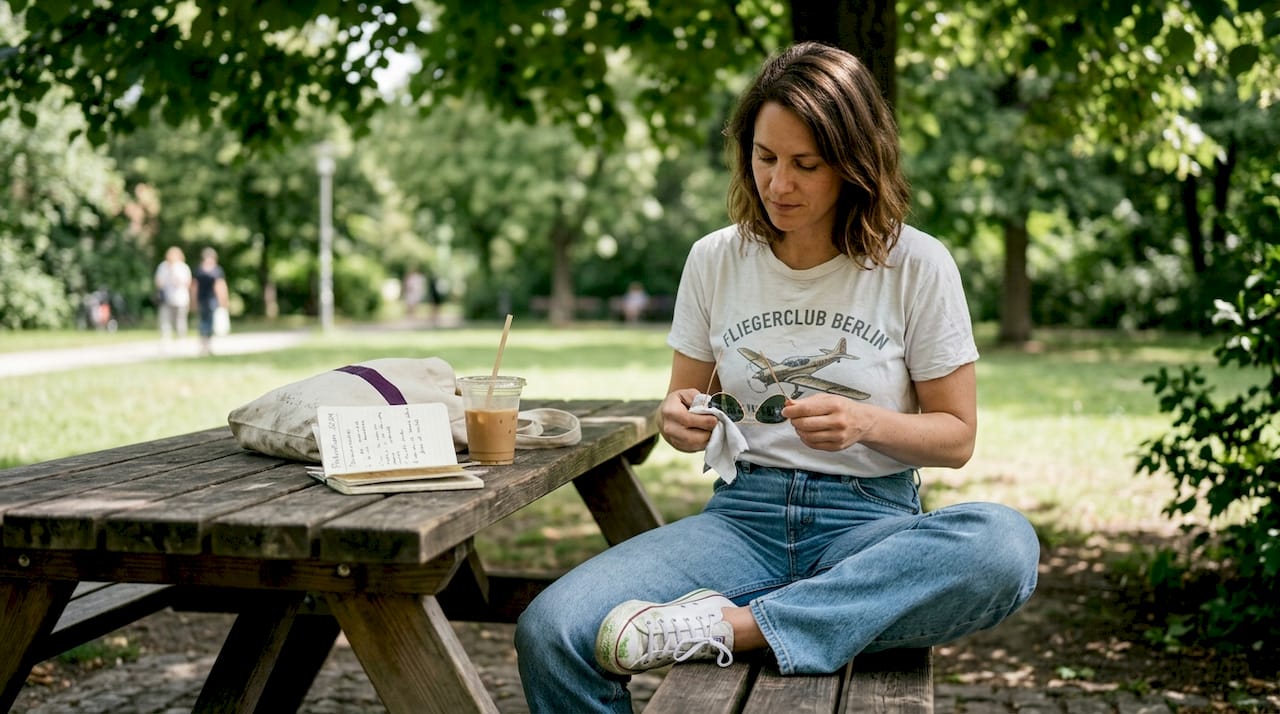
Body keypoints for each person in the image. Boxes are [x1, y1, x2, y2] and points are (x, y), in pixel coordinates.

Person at [514, 42, 1040, 713]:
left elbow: (957, 437)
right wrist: (679, 418)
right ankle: (809, 617)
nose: (778, 184)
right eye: (765, 158)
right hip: (742, 521)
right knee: (552, 630)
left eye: (805, 164)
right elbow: (687, 403)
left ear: (854, 164)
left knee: (1004, 546)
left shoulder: (917, 264)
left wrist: (865, 423)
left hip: (868, 527)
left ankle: (729, 629)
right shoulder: (715, 260)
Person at [191, 247, 229, 355]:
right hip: (210, 300)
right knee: (207, 322)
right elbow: (220, 286)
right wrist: (224, 300)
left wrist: (193, 301)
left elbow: (194, 287)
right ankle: (206, 345)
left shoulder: (199, 270)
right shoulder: (216, 270)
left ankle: (205, 345)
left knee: (204, 322)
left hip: (205, 299)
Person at [154, 246, 191, 348]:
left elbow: (187, 283)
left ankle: (181, 337)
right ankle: (166, 338)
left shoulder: (183, 267)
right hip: (166, 297)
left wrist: (174, 273)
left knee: (180, 319)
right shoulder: (163, 266)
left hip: (180, 298)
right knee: (165, 319)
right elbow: (158, 282)